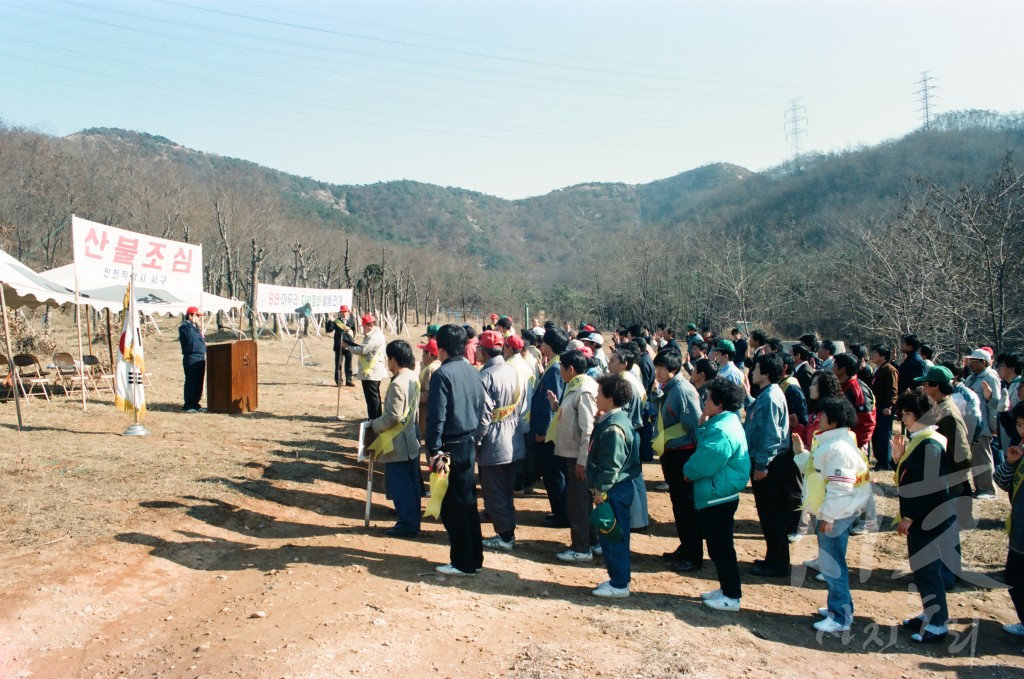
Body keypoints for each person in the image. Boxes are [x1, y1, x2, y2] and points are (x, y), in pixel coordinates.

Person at [792, 398, 871, 634]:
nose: (818, 420)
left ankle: (840, 617)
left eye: (822, 417)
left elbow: (840, 489)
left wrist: (828, 517)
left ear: (834, 421)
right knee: (830, 563)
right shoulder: (832, 443)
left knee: (833, 565)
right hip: (833, 513)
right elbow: (817, 471)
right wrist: (801, 454)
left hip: (836, 515)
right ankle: (838, 607)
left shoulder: (839, 449)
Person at [893, 389, 956, 643]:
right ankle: (929, 612)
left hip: (929, 519)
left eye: (906, 414)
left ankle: (938, 623)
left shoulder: (929, 444)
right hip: (927, 517)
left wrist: (910, 516)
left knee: (928, 569)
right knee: (922, 568)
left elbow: (928, 487)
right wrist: (899, 459)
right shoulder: (923, 440)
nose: (903, 419)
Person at [684, 378, 750, 612]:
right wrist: (702, 423)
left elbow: (704, 461)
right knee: (718, 546)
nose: (705, 401)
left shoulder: (722, 430)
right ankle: (725, 589)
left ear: (719, 402)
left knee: (721, 547)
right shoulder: (724, 421)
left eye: (708, 397)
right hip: (718, 492)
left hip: (717, 495)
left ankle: (732, 595)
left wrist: (687, 472)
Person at [426, 324, 485, 576]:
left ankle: (463, 562)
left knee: (453, 505)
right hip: (468, 443)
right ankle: (475, 557)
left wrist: (433, 450)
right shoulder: (473, 371)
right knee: (467, 501)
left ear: (440, 348)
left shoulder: (442, 374)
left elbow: (436, 417)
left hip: (448, 447)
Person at [916, 364, 974, 589]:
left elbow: (962, 455)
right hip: (939, 481)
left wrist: (949, 479)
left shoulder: (947, 414)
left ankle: (948, 577)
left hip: (948, 484)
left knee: (946, 532)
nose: (922, 387)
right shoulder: (939, 408)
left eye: (926, 384)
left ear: (936, 387)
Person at [587, 374, 642, 598]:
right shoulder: (614, 420)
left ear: (609, 397)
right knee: (610, 536)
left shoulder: (613, 429)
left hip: (613, 491)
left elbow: (611, 466)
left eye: (599, 393)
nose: (596, 397)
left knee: (614, 537)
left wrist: (600, 491)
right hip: (615, 489)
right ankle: (617, 578)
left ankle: (619, 584)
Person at [652, 349, 704, 572]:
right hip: (672, 454)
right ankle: (685, 547)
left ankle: (693, 555)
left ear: (672, 369)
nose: (657, 372)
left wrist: (695, 460)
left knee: (687, 507)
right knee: (678, 505)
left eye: (661, 369)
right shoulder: (668, 388)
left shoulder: (683, 391)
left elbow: (694, 426)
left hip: (684, 455)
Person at [549, 349, 599, 562]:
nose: (559, 371)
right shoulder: (575, 386)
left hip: (579, 457)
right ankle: (592, 541)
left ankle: (581, 548)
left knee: (578, 502)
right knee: (580, 500)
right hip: (572, 453)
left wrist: (582, 460)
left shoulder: (584, 389)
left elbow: (588, 429)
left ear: (570, 369)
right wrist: (556, 407)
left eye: (561, 367)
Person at [745, 353, 792, 578]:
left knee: (772, 515)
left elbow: (771, 436)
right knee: (768, 515)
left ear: (765, 374)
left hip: (770, 465)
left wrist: (761, 465)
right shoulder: (767, 395)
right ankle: (772, 557)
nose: (752, 372)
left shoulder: (771, 397)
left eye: (755, 369)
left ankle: (777, 564)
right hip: (767, 462)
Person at [475, 331, 522, 552]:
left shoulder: (486, 376)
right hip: (513, 438)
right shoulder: (513, 371)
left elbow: (484, 416)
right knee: (506, 491)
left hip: (494, 442)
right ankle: (507, 530)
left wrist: (476, 440)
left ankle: (505, 536)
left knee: (494, 492)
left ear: (483, 351)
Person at [369, 340, 422, 537]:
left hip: (397, 443)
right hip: (410, 441)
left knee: (402, 488)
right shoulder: (411, 377)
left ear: (393, 359)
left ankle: (407, 524)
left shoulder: (398, 383)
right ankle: (411, 522)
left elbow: (393, 417)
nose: (387, 363)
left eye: (388, 359)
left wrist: (373, 425)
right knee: (412, 487)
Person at [530, 327, 568, 527]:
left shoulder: (555, 370)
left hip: (550, 434)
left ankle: (562, 514)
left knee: (554, 475)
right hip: (550, 432)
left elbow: (549, 405)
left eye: (543, 342)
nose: (540, 344)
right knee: (552, 474)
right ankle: (558, 511)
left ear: (549, 346)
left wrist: (542, 431)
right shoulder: (553, 366)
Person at [994, 402, 1024, 638]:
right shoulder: (1020, 448)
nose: (1021, 430)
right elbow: (1002, 482)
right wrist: (1010, 463)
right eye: (1019, 424)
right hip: (1019, 527)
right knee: (1013, 577)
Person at [964, 348, 1003, 499]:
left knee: (983, 457)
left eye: (973, 361)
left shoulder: (990, 377)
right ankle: (979, 487)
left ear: (984, 362)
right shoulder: (972, 377)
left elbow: (995, 404)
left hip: (983, 425)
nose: (970, 363)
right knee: (974, 458)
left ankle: (988, 489)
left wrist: (994, 426)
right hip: (971, 425)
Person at [346, 314, 387, 420]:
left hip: (371, 372)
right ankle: (376, 417)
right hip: (371, 371)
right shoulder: (375, 335)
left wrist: (348, 346)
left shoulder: (374, 337)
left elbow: (362, 350)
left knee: (372, 398)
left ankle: (374, 418)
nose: (363, 329)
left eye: (364, 326)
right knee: (374, 397)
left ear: (370, 325)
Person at [869, 343, 899, 470]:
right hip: (877, 407)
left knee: (884, 435)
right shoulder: (878, 369)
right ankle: (880, 459)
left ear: (883, 356)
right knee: (876, 435)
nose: (873, 356)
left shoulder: (890, 370)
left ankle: (886, 462)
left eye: (875, 353)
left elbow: (893, 391)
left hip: (885, 408)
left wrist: (890, 406)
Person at [178, 305, 206, 413]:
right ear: (190, 316)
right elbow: (185, 333)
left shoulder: (195, 328)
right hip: (191, 356)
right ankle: (189, 405)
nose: (199, 318)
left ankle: (195, 403)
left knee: (199, 381)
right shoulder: (185, 327)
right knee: (191, 381)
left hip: (200, 357)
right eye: (197, 315)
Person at [324, 304, 356, 387]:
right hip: (339, 346)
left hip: (349, 346)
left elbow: (353, 332)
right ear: (340, 313)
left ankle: (349, 380)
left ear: (348, 312)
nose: (344, 313)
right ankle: (339, 381)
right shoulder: (336, 321)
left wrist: (351, 342)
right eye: (342, 312)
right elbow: (329, 330)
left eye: (345, 311)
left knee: (349, 364)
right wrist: (330, 320)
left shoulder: (352, 321)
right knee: (338, 364)